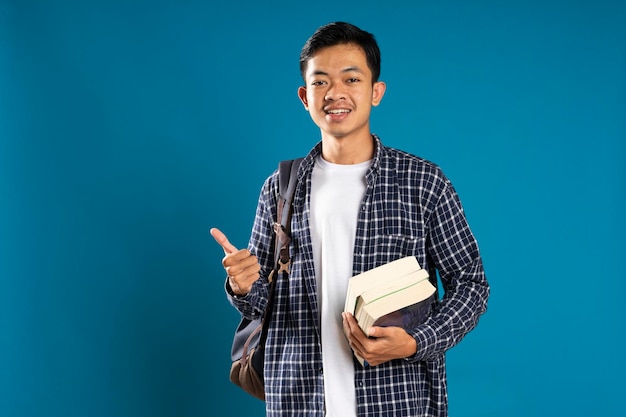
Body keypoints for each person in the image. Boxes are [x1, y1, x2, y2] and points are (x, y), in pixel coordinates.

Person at [211, 21, 490, 417]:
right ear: (305, 97)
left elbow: (471, 286)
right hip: (299, 399)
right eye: (321, 82)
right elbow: (263, 306)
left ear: (376, 92)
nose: (335, 93)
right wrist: (242, 286)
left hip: (396, 398)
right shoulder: (280, 188)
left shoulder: (423, 182)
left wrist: (416, 342)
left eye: (351, 79)